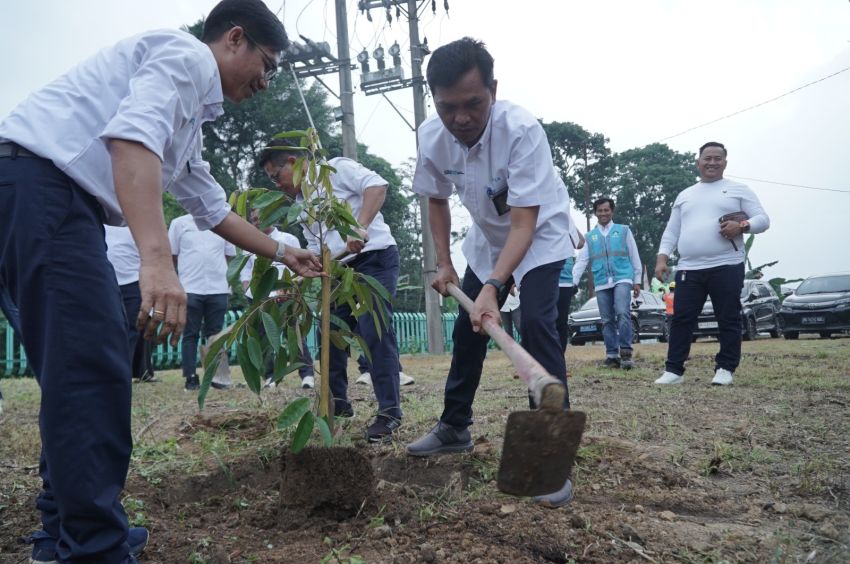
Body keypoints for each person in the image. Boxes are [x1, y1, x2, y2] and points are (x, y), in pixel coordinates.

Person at [0, 2, 323, 561]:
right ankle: (92, 548)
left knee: (73, 368)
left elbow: (211, 209)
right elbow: (131, 141)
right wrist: (156, 260)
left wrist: (285, 251)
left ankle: (65, 532)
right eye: (266, 64)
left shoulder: (189, 119)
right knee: (93, 368)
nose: (266, 82)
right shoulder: (186, 59)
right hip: (43, 191)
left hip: (33, 194)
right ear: (234, 40)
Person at [404, 37, 577, 508]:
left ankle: (548, 454)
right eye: (448, 107)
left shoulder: (520, 131)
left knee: (539, 323)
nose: (460, 118)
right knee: (468, 332)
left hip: (538, 233)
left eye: (473, 104)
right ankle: (454, 426)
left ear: (493, 90)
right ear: (434, 100)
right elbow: (436, 199)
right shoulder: (432, 136)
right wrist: (444, 263)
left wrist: (495, 288)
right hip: (486, 239)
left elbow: (524, 222)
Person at [260, 141, 403, 444]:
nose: (278, 185)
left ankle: (389, 412)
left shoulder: (335, 169)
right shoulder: (301, 206)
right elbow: (316, 247)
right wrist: (304, 274)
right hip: (337, 272)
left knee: (373, 330)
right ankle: (338, 406)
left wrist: (359, 227)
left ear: (292, 162)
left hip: (373, 260)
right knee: (329, 334)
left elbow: (377, 186)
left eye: (276, 177)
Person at [654, 141, 770, 386]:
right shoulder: (685, 195)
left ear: (725, 162)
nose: (712, 162)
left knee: (728, 316)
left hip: (726, 264)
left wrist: (742, 226)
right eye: (708, 158)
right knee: (682, 318)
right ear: (698, 162)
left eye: (718, 158)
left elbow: (762, 219)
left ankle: (725, 368)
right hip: (688, 267)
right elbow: (671, 231)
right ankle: (673, 370)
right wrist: (662, 258)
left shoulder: (739, 189)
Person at [240, 211, 315, 389]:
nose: (257, 222)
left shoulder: (288, 239)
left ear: (273, 217)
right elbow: (245, 273)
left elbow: (299, 269)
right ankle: (270, 375)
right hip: (259, 298)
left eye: (261, 218)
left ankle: (307, 374)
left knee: (295, 334)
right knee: (263, 337)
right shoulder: (248, 242)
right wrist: (249, 292)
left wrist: (289, 288)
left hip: (286, 296)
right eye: (254, 220)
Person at [572, 198, 642, 370]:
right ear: (595, 213)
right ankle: (612, 356)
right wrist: (572, 282)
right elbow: (582, 261)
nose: (603, 213)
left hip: (622, 278)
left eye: (606, 210)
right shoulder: (590, 237)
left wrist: (637, 280)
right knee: (606, 320)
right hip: (602, 282)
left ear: (612, 211)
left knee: (622, 313)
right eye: (600, 210)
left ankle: (626, 352)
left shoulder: (624, 231)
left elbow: (634, 255)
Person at [169, 213, 237, 390]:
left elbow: (229, 254)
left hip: (218, 287)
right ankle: (191, 376)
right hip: (190, 287)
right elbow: (172, 255)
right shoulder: (179, 223)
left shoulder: (221, 222)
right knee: (190, 333)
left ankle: (218, 377)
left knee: (215, 334)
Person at [105, 225, 158, 383]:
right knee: (110, 328)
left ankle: (124, 372)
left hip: (134, 281)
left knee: (132, 328)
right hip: (107, 281)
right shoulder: (101, 222)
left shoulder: (137, 223)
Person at [556, 227, 585, 376]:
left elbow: (580, 242)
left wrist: (568, 222)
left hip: (566, 282)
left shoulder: (566, 223)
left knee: (561, 324)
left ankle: (559, 364)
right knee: (543, 323)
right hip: (547, 279)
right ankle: (536, 363)